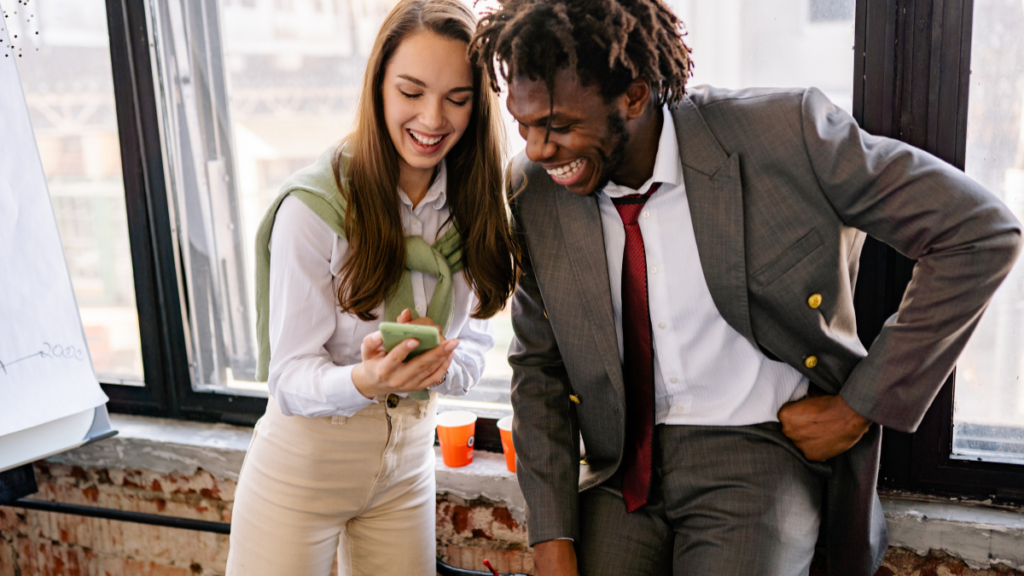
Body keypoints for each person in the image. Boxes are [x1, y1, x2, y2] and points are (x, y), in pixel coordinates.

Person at [469, 0, 1022, 575]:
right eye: (523, 125)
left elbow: (980, 233)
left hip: (758, 451)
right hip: (619, 470)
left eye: (558, 127)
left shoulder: (786, 134)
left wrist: (859, 406)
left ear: (633, 96)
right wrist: (551, 537)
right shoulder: (534, 190)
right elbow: (539, 369)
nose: (537, 149)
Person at [226, 1, 518, 574]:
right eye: (411, 92)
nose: (433, 118)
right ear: (378, 86)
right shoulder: (315, 208)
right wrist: (366, 380)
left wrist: (436, 366)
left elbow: (475, 344)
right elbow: (289, 377)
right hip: (304, 468)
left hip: (406, 466)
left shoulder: (473, 207)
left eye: (457, 98)